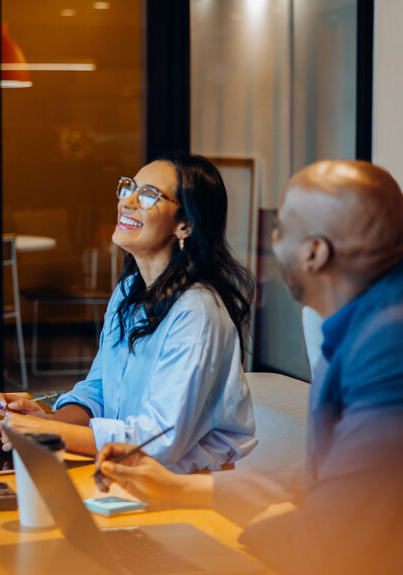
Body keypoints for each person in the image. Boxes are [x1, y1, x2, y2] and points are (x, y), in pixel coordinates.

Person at [94, 160, 403, 575]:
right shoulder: (355, 324)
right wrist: (181, 489)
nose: (271, 242)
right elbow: (327, 473)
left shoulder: (386, 345)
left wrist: (243, 543)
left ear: (315, 252)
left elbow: (340, 528)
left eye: (281, 228)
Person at [0, 152, 256, 473]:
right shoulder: (128, 291)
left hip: (184, 485)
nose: (127, 201)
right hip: (122, 469)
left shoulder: (197, 309)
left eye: (147, 195)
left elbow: (160, 440)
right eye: (128, 188)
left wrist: (51, 432)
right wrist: (48, 420)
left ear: (186, 225)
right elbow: (99, 390)